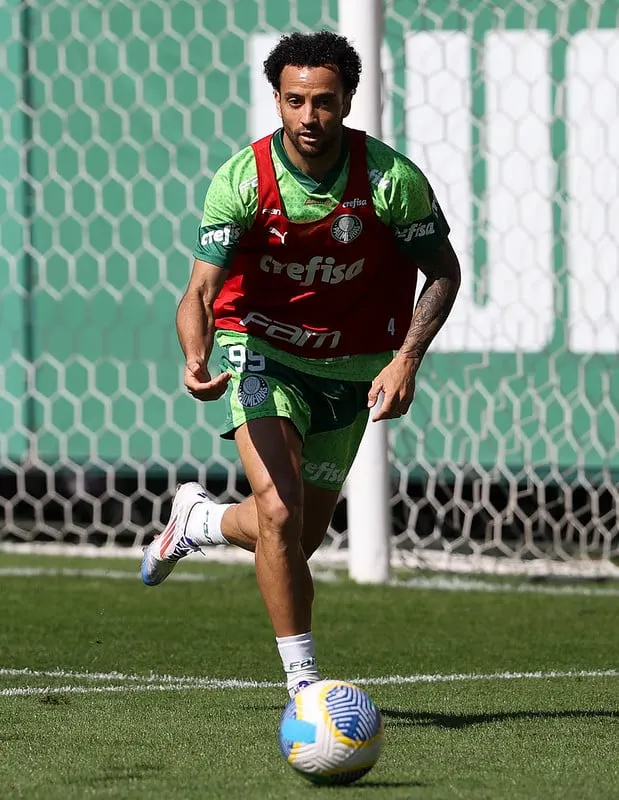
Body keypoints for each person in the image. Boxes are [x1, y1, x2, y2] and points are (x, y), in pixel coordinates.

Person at [141, 30, 461, 697]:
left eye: (322, 102)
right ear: (277, 100)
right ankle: (304, 686)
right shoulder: (241, 181)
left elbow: (442, 271)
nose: (308, 118)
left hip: (352, 363)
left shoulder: (388, 180)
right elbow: (198, 292)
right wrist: (195, 354)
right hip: (257, 349)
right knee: (279, 514)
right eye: (294, 101)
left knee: (291, 537)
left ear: (346, 99)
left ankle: (198, 521)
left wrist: (406, 360)